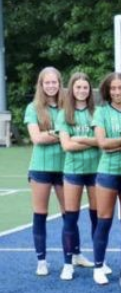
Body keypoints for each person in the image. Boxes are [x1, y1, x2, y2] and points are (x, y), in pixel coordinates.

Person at [56, 72, 101, 281]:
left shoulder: (97, 112)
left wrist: (80, 138)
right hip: (73, 171)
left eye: (85, 87)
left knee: (96, 217)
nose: (82, 91)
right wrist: (91, 140)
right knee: (70, 217)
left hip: (95, 170)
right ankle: (68, 263)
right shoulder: (64, 114)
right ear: (71, 90)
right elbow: (66, 146)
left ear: (89, 90)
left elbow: (101, 142)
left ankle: (100, 261)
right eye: (78, 87)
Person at [91, 72, 121, 285]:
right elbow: (102, 143)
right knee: (104, 220)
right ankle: (99, 266)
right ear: (107, 91)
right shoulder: (101, 113)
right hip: (107, 171)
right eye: (113, 88)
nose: (117, 92)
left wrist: (116, 143)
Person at [24, 67, 67, 277]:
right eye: (47, 83)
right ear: (41, 85)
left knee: (69, 214)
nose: (51, 86)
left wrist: (49, 134)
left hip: (65, 167)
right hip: (40, 167)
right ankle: (41, 260)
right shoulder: (33, 108)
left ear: (60, 83)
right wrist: (61, 134)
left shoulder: (67, 107)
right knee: (40, 214)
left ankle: (74, 254)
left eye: (54, 82)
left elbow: (73, 132)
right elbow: (37, 139)